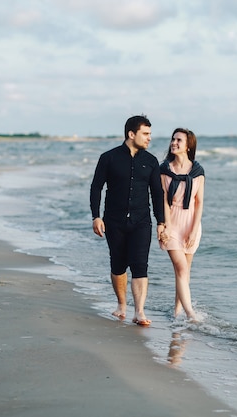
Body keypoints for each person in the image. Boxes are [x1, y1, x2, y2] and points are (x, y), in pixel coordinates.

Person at [90, 115, 165, 326]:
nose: (149, 138)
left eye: (150, 134)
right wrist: (96, 216)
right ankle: (122, 305)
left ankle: (139, 311)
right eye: (146, 134)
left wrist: (161, 222)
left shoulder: (150, 161)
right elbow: (96, 187)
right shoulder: (109, 158)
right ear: (132, 134)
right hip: (114, 221)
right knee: (118, 264)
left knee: (140, 265)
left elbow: (157, 193)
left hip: (142, 221)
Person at [158, 128, 205, 322]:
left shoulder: (198, 171)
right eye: (173, 139)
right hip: (172, 222)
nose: (174, 143)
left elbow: (199, 202)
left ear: (188, 146)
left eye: (179, 140)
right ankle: (190, 314)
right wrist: (166, 226)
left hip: (191, 222)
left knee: (185, 271)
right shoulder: (164, 169)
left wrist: (194, 230)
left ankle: (177, 312)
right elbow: (163, 200)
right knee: (181, 268)